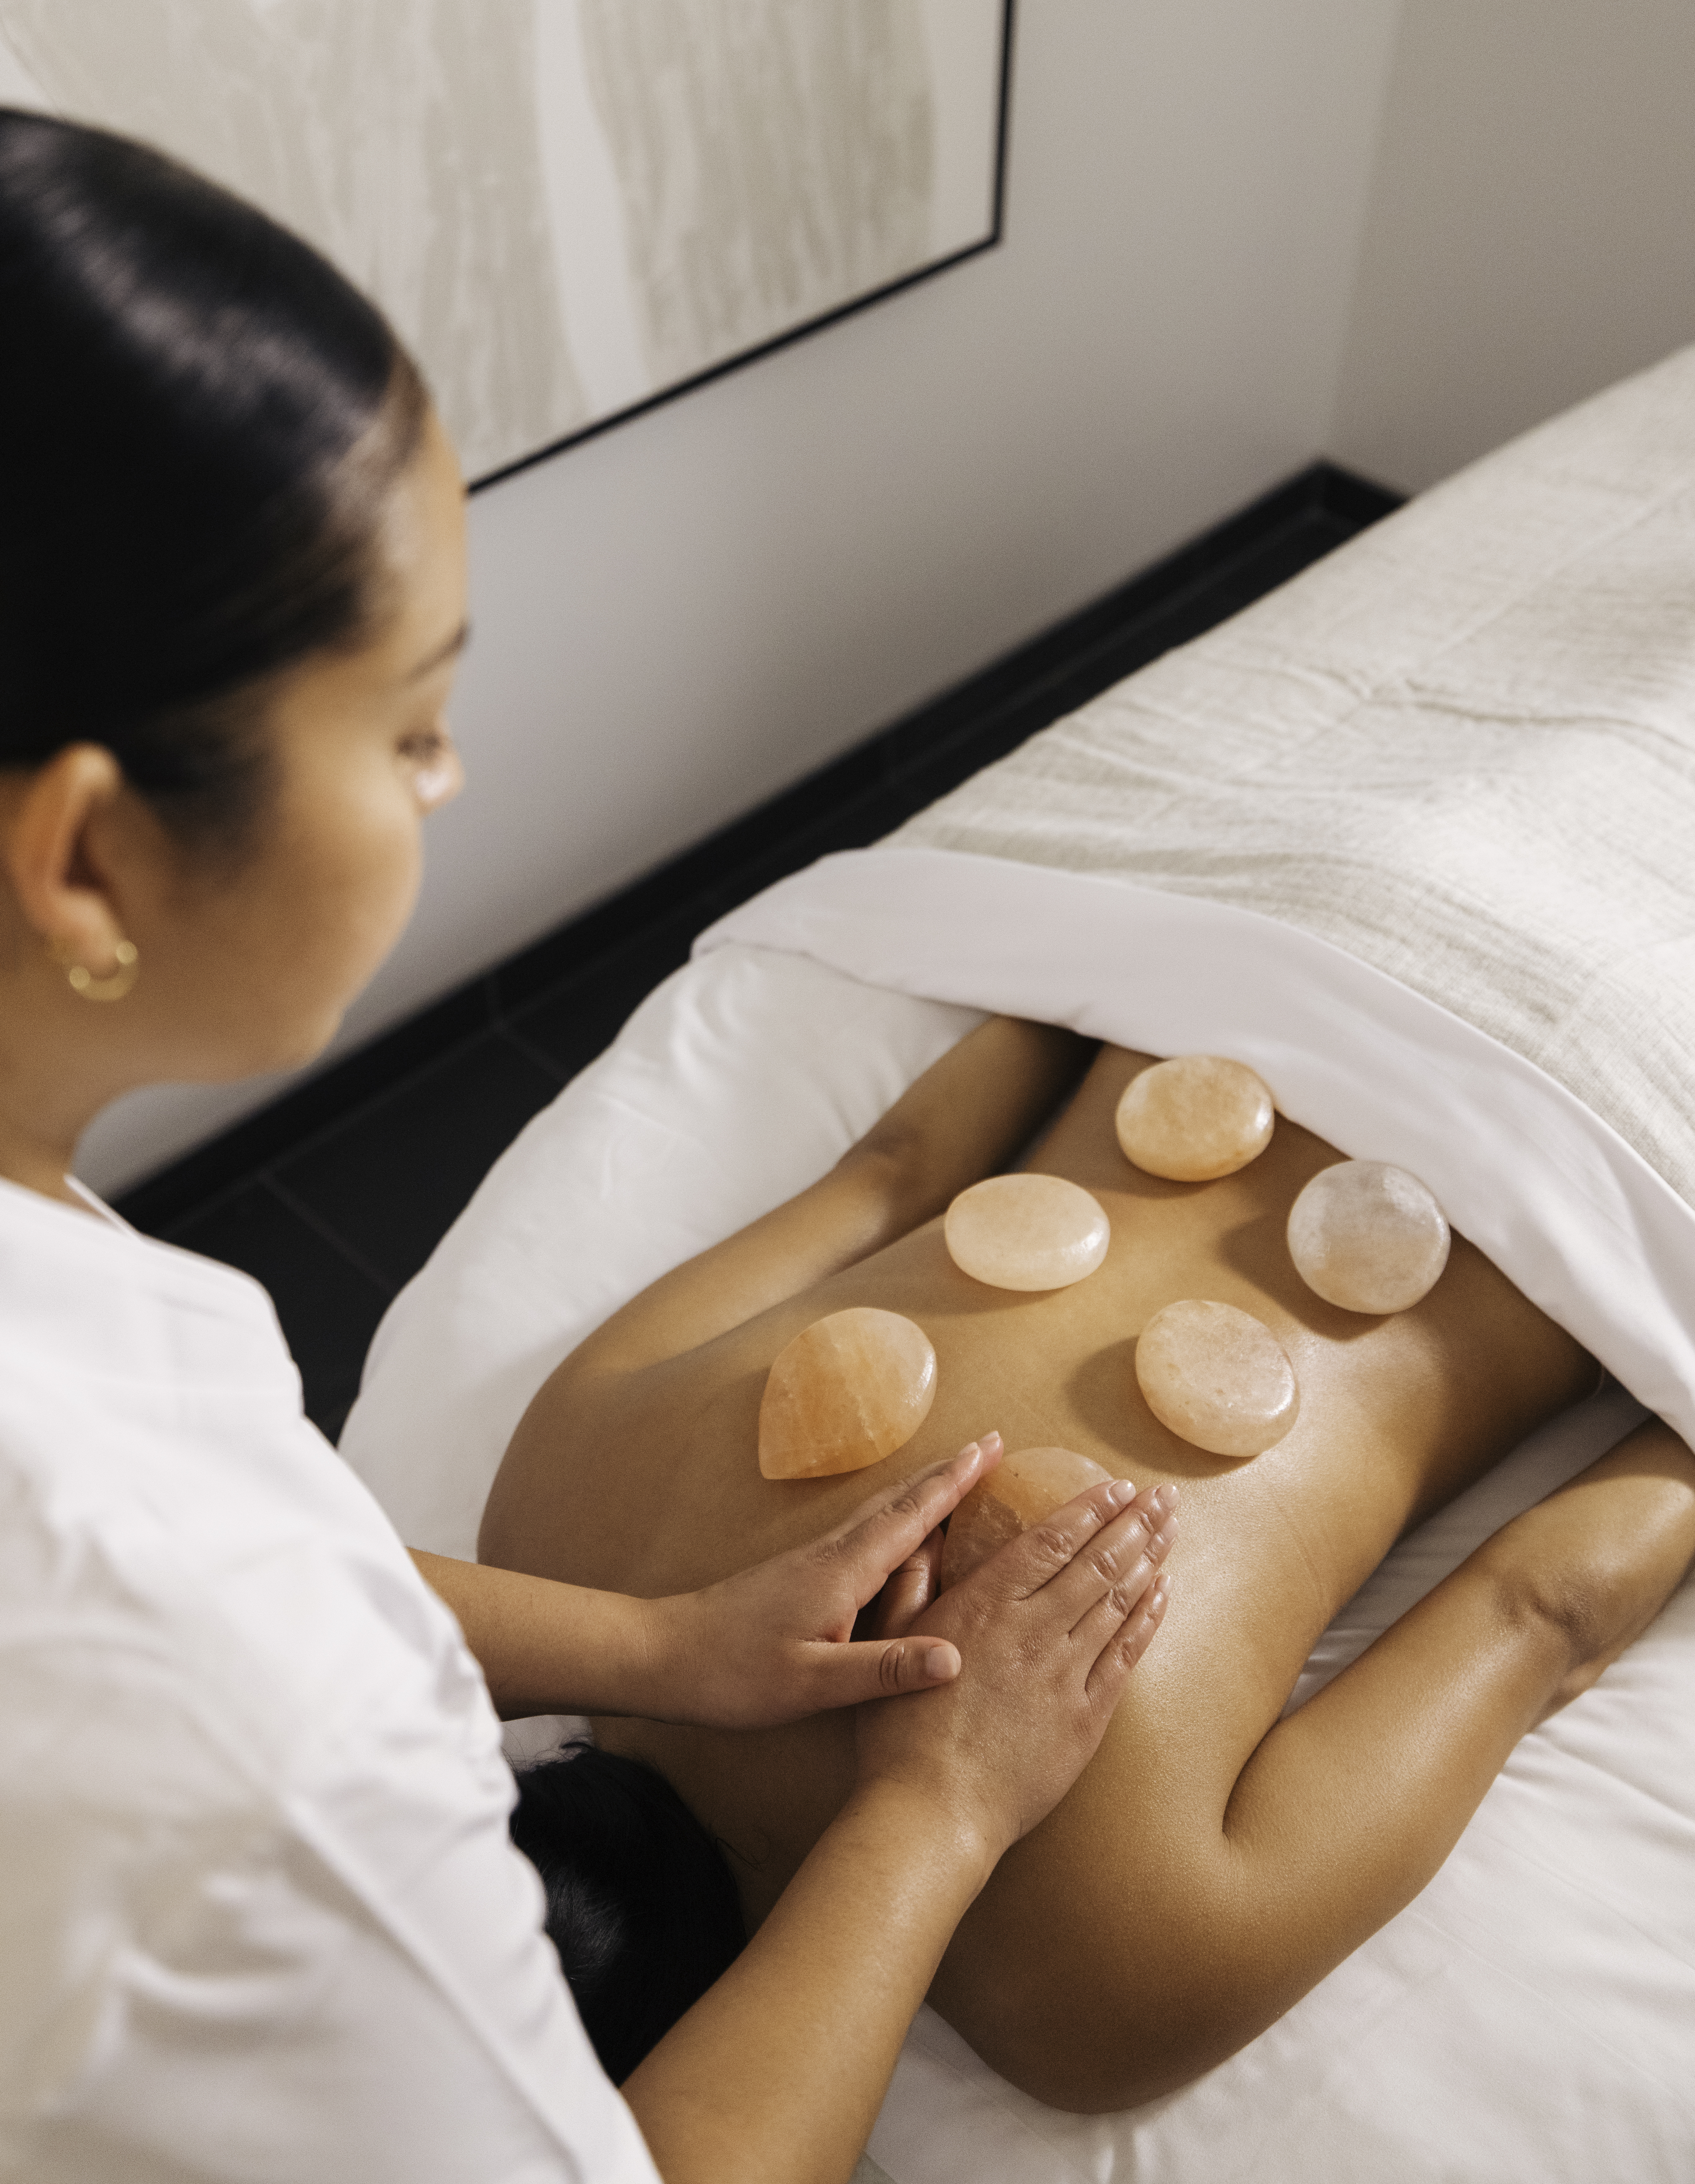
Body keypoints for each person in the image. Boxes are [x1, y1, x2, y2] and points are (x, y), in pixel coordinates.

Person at [0, 108, 1174, 2184]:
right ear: (88, 855)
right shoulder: (233, 1723)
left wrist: (663, 1646)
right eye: (407, 721)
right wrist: (947, 1802)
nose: (454, 777)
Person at [480, 1014, 1695, 2114]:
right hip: (1277, 983)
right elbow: (896, 1165)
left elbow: (1537, 1612)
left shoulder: (1097, 1994)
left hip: (1611, 1137)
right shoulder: (537, 1516)